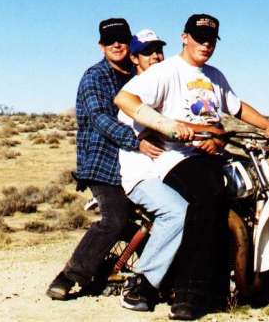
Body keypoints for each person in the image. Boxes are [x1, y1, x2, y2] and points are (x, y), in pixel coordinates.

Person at [114, 14, 269, 320]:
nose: (205, 45)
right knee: (208, 195)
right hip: (176, 157)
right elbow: (124, 98)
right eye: (199, 38)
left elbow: (238, 107)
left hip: (211, 155)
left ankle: (255, 279)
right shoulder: (166, 71)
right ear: (184, 37)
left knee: (252, 191)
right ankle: (189, 292)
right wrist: (168, 127)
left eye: (210, 40)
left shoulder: (214, 76)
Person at [46, 18, 188, 302]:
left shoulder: (135, 77)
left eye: (122, 39)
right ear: (101, 46)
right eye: (110, 41)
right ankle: (70, 276)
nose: (117, 45)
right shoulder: (94, 77)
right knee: (115, 218)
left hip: (140, 160)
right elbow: (100, 119)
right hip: (103, 163)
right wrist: (137, 142)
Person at [117, 29, 192, 312]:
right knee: (177, 212)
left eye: (159, 50)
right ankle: (141, 283)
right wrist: (140, 139)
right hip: (142, 174)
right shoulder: (137, 90)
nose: (156, 56)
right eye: (148, 52)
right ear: (134, 58)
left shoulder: (167, 84)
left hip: (167, 169)